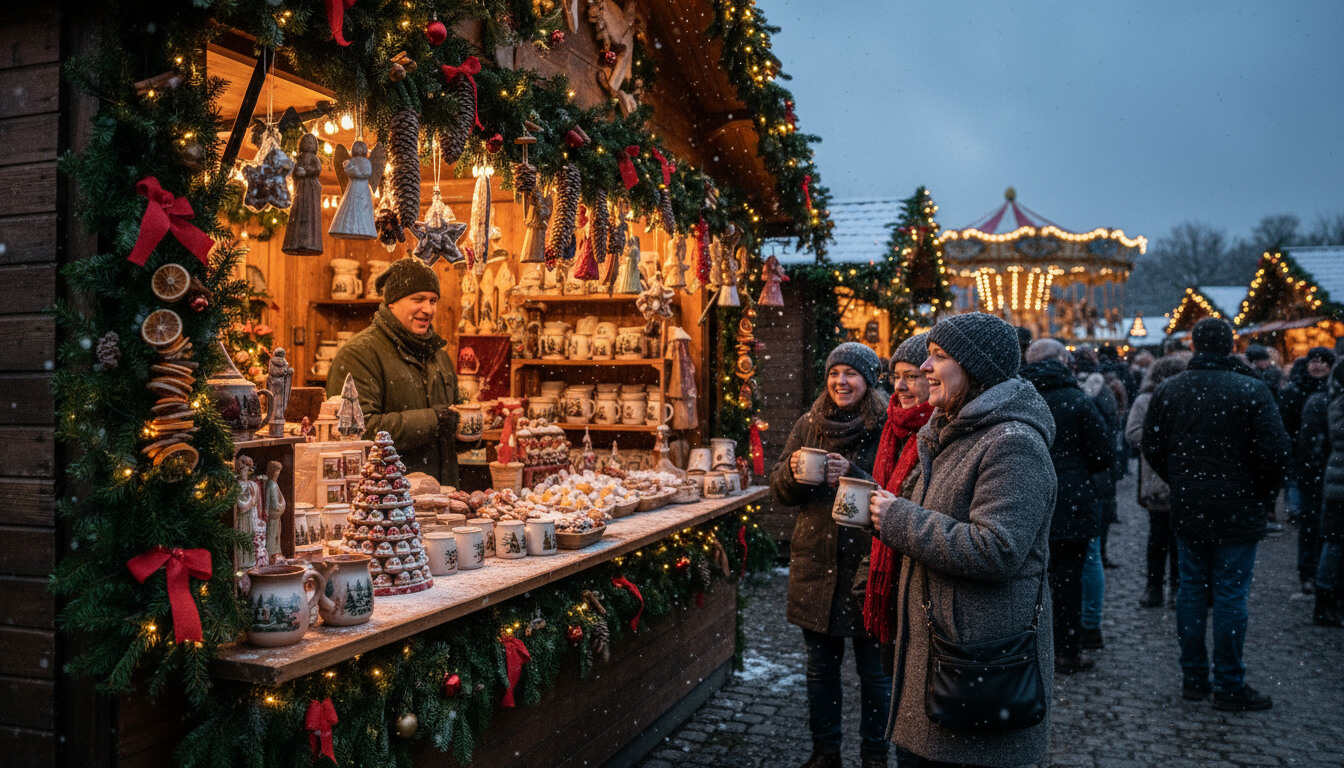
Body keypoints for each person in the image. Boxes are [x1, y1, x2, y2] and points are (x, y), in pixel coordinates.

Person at [869, 313, 1056, 768]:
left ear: (975, 368)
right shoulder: (955, 432)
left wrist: (899, 520)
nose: (926, 367)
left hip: (979, 667)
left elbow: (997, 549)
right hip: (948, 658)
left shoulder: (1011, 442)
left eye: (939, 356)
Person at [1142, 318, 1290, 711]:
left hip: (1191, 504)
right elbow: (1276, 452)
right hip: (1238, 506)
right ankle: (1228, 682)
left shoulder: (1171, 389)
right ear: (1229, 346)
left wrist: (1180, 479)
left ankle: (1194, 678)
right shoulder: (1252, 389)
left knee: (1191, 591)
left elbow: (1152, 445)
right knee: (1230, 594)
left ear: (1193, 345)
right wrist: (1260, 491)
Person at [770, 342, 891, 768]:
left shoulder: (887, 426)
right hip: (815, 566)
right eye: (834, 372)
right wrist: (797, 473)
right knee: (820, 671)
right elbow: (780, 491)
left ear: (868, 381)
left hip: (867, 567)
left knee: (874, 673)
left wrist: (855, 476)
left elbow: (900, 492)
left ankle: (875, 755)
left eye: (851, 373)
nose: (841, 381)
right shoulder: (809, 424)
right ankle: (826, 753)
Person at [327, 258, 462, 485]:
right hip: (385, 501)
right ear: (392, 303)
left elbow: (451, 416)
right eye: (418, 300)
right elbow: (357, 430)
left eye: (433, 300)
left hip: (442, 497)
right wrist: (433, 421)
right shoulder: (359, 354)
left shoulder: (438, 355)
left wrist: (467, 433)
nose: (428, 309)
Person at [1022, 338, 1113, 671]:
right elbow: (1103, 453)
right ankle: (1066, 650)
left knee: (1029, 578)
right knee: (1068, 579)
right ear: (1063, 361)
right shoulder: (1077, 400)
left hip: (1027, 498)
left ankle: (1028, 645)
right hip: (1071, 501)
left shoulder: (1021, 399)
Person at [862, 334, 934, 674]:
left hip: (920, 580)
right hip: (891, 571)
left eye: (912, 376)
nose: (901, 386)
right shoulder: (893, 426)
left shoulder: (937, 431)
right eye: (896, 376)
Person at [1125, 353, 1189, 608]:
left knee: (1178, 536)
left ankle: (1176, 586)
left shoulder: (1188, 396)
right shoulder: (1145, 400)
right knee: (1159, 535)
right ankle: (1155, 586)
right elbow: (1133, 433)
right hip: (1157, 476)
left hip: (1182, 475)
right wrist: (1164, 441)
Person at [1316, 359, 1344, 627]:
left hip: (1335, 478)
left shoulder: (1333, 397)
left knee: (1335, 542)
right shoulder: (1338, 402)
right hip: (1339, 481)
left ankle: (1327, 599)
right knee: (1335, 543)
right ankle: (1326, 601)